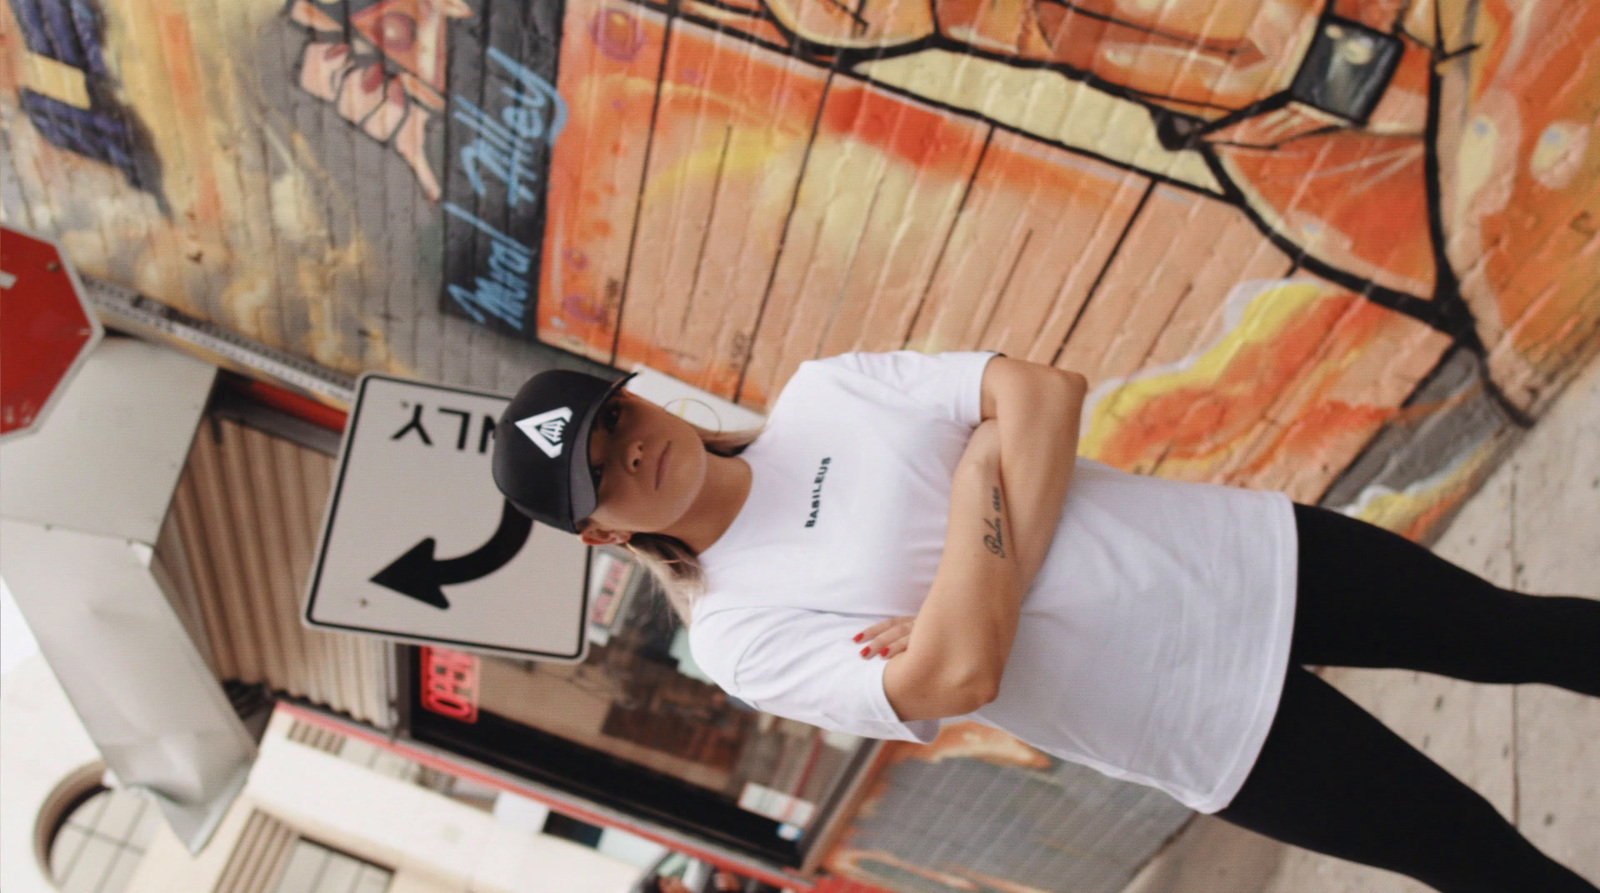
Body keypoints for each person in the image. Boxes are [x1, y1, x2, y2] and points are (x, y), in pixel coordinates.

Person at [492, 352, 1600, 893]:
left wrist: (954, 596)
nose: (632, 452)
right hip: (1207, 722)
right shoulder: (742, 632)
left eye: (616, 420)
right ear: (599, 534)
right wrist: (979, 481)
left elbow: (1046, 392)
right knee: (1488, 866)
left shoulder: (825, 393)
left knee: (1536, 635)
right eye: (603, 476)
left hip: (1246, 555)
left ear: (638, 395)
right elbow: (960, 676)